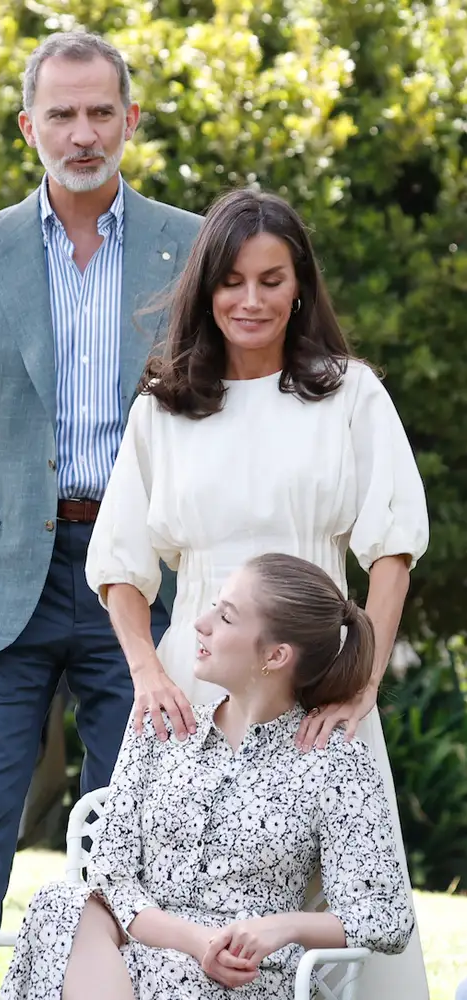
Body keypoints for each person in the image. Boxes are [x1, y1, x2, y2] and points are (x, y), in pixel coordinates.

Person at [0, 30, 201, 999]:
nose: (82, 134)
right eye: (61, 115)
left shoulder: (193, 250)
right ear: (29, 126)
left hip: (143, 585)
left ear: (131, 121)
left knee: (144, 835)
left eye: (100, 113)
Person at [85, 188, 430, 997]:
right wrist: (147, 671)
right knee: (174, 883)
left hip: (319, 679)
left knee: (342, 888)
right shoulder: (162, 409)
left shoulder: (350, 395)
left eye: (271, 280)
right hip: (193, 674)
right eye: (232, 280)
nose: (250, 300)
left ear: (300, 284)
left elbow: (392, 550)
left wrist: (364, 687)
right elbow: (120, 566)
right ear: (206, 288)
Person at [0, 553, 414, 1000]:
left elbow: (386, 915)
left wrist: (280, 928)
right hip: (126, 968)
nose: (201, 622)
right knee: (60, 903)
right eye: (213, 606)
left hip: (241, 979)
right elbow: (108, 878)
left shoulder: (336, 762)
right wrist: (196, 942)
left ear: (276, 655)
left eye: (226, 616)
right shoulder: (159, 731)